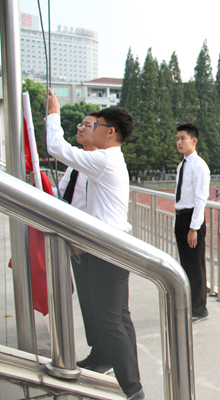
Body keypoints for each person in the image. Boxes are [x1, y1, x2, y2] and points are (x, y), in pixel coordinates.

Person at [46, 89, 145, 400]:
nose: (91, 129)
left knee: (111, 321)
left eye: (97, 126)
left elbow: (55, 146)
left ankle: (133, 390)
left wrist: (53, 113)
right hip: (107, 247)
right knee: (119, 318)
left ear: (110, 132)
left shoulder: (105, 158)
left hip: (107, 250)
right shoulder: (107, 159)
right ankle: (131, 384)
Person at [53, 112, 114, 374]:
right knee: (87, 301)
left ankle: (106, 354)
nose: (81, 129)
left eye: (89, 126)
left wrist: (53, 114)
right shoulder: (76, 165)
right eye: (81, 125)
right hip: (76, 239)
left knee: (99, 303)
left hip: (90, 241)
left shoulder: (97, 166)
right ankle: (97, 349)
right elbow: (63, 195)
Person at [174, 123, 210, 323]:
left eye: (183, 138)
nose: (179, 142)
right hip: (181, 217)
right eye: (177, 138)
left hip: (192, 219)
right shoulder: (182, 165)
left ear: (193, 141)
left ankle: (199, 309)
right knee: (185, 265)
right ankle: (189, 305)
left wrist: (194, 228)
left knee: (196, 266)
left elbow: (200, 199)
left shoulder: (199, 166)